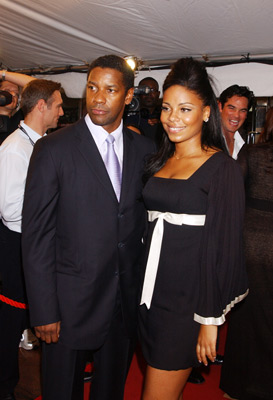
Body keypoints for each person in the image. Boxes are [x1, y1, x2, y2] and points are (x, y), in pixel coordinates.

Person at [21, 55, 155, 400]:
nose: (98, 98)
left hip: (123, 307)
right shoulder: (53, 148)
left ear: (128, 96)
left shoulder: (145, 150)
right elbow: (37, 236)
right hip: (67, 308)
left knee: (110, 392)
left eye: (110, 90)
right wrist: (44, 310)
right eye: (92, 87)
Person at [138, 58, 248, 400]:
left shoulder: (222, 169)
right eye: (168, 108)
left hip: (187, 305)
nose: (173, 118)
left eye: (185, 109)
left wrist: (209, 321)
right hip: (149, 296)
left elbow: (225, 249)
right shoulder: (160, 160)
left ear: (205, 112)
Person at [0, 79, 64, 400]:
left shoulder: (42, 144)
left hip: (33, 247)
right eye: (58, 104)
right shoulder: (16, 148)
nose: (62, 111)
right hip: (16, 249)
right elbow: (11, 211)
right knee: (9, 327)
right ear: (42, 106)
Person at [220, 107, 273, 400]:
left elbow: (231, 195)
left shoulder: (252, 153)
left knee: (246, 319)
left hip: (251, 245)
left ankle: (239, 387)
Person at [218, 84, 254, 159]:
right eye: (232, 108)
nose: (236, 115)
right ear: (220, 107)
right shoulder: (206, 140)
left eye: (242, 111)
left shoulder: (242, 145)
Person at [0, 70, 35, 144]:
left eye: (16, 93)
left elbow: (39, 87)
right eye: (7, 90)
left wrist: (3, 74)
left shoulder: (20, 119)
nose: (13, 94)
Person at [125, 77, 162, 144]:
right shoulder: (127, 117)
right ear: (139, 93)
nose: (149, 94)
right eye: (145, 90)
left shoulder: (164, 118)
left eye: (152, 90)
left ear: (158, 94)